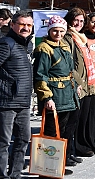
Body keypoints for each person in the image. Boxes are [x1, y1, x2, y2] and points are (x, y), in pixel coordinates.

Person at [0, 11, 35, 179]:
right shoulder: (6, 44)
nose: (25, 28)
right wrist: (5, 89)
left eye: (29, 25)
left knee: (23, 138)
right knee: (3, 142)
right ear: (12, 25)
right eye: (22, 24)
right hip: (6, 102)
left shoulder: (24, 46)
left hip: (23, 102)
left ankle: (15, 175)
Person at [34, 15, 79, 168]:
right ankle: (49, 166)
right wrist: (46, 97)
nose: (58, 34)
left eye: (61, 31)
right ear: (49, 31)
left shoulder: (64, 46)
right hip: (55, 96)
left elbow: (70, 70)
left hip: (68, 95)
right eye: (55, 31)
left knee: (67, 130)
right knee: (52, 132)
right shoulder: (44, 49)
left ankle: (63, 160)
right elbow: (40, 75)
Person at [63, 8, 95, 160]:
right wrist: (78, 82)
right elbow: (70, 64)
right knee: (73, 121)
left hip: (86, 83)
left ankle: (73, 150)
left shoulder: (81, 38)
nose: (78, 23)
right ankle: (71, 150)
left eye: (81, 21)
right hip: (77, 84)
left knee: (80, 118)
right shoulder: (68, 37)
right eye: (76, 20)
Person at [81, 12, 95, 155]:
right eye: (93, 22)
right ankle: (82, 144)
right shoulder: (83, 39)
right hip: (86, 83)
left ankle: (92, 141)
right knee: (85, 116)